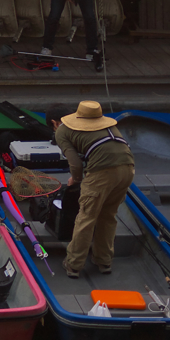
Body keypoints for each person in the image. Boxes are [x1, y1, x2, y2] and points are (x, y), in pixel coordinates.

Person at [53, 100, 134, 278]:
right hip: (128, 169)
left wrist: (76, 180)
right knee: (108, 215)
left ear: (53, 123)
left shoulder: (62, 130)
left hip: (101, 172)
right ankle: (103, 261)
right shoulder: (110, 128)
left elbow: (74, 163)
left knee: (86, 217)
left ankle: (73, 265)